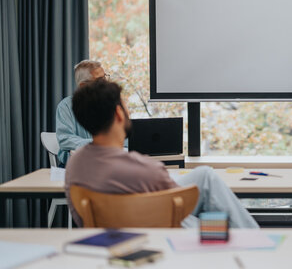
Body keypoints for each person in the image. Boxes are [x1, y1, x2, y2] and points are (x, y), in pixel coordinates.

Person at [64, 79, 259, 229]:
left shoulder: (75, 165)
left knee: (205, 174)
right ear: (118, 113)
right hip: (162, 233)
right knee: (218, 221)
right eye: (126, 106)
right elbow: (181, 203)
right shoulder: (145, 169)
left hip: (109, 237)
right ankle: (255, 242)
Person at [56, 60, 108, 166]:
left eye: (105, 77)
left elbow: (124, 139)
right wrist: (99, 143)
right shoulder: (65, 106)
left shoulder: (110, 105)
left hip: (105, 165)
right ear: (83, 86)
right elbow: (65, 140)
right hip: (75, 167)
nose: (106, 83)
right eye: (100, 80)